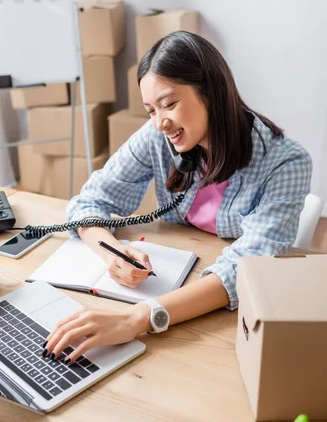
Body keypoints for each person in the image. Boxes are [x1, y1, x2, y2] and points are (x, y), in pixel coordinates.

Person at [44, 31, 312, 363]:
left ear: (212, 93)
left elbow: (246, 269)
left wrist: (137, 318)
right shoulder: (159, 137)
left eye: (169, 104)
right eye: (151, 111)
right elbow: (90, 200)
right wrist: (112, 252)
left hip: (227, 317)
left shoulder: (287, 162)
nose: (160, 123)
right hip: (175, 278)